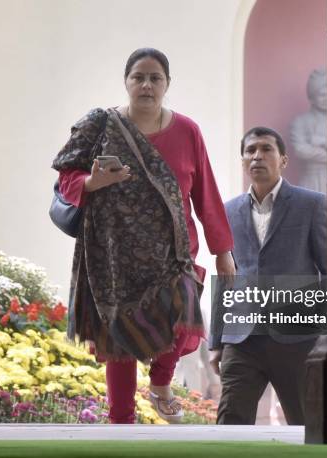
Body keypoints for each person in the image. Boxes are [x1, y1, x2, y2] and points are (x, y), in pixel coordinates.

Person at [51, 48, 235, 424]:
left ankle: (161, 382)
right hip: (112, 253)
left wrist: (223, 250)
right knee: (119, 340)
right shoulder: (99, 125)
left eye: (155, 78)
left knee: (184, 308)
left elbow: (206, 194)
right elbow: (66, 177)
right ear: (126, 82)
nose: (147, 85)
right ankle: (121, 422)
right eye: (139, 77)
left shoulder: (187, 130)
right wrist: (94, 181)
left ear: (167, 84)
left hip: (174, 251)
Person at [209, 126, 327, 425]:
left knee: (307, 426)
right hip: (241, 340)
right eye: (250, 151)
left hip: (297, 339)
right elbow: (225, 278)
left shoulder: (311, 205)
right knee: (230, 425)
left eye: (265, 149)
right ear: (243, 161)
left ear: (283, 160)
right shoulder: (228, 211)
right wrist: (216, 341)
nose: (256, 156)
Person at [289, 69, 327, 194]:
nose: (326, 98)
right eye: (322, 95)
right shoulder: (300, 121)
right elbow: (300, 150)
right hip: (311, 179)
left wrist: (318, 141)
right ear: (312, 96)